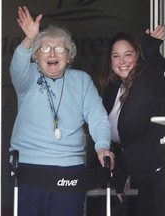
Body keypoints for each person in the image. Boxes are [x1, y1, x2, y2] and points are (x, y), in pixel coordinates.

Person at [9, 6, 114, 216]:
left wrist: (102, 147)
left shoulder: (81, 80)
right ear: (36, 56)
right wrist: (29, 40)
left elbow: (98, 117)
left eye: (60, 49)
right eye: (45, 48)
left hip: (70, 167)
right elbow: (16, 68)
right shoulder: (28, 77)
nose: (52, 54)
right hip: (30, 165)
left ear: (69, 55)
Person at [99, 25, 165, 216]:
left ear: (138, 56)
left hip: (160, 175)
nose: (122, 61)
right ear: (110, 61)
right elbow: (121, 141)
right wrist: (120, 175)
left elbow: (159, 73)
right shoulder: (113, 90)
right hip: (141, 178)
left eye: (128, 54)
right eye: (116, 56)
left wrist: (151, 50)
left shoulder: (146, 82)